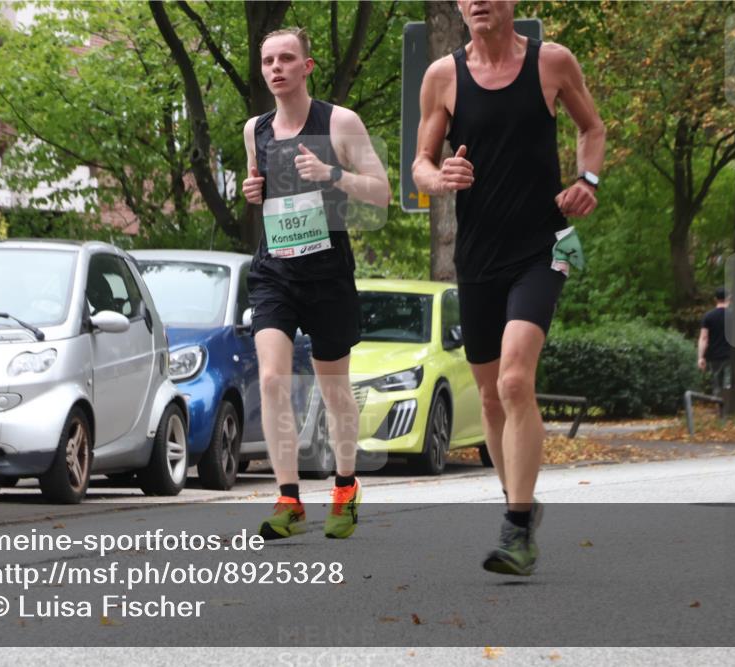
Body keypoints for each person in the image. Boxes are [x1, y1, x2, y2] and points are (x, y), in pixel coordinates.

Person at [412, 0, 605, 575]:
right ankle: (518, 504)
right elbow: (420, 163)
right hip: (476, 256)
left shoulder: (552, 63)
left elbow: (591, 128)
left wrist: (586, 179)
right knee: (491, 396)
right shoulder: (443, 76)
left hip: (541, 248)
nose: (476, 3)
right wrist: (439, 177)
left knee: (518, 379)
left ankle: (516, 528)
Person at [240, 27, 391, 538]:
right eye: (267, 60)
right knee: (271, 379)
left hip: (327, 272)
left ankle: (345, 486)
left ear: (307, 66)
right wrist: (252, 191)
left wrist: (332, 175)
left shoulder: (339, 121)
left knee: (334, 389)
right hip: (274, 272)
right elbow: (259, 195)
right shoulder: (254, 129)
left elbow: (381, 193)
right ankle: (289, 500)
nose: (276, 68)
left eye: (286, 58)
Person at [698, 287, 732, 397]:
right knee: (728, 384)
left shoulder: (708, 316)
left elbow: (704, 338)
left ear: (715, 299)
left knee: (716, 384)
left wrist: (701, 357)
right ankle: (727, 408)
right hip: (730, 355)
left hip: (713, 355)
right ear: (729, 298)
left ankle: (718, 409)